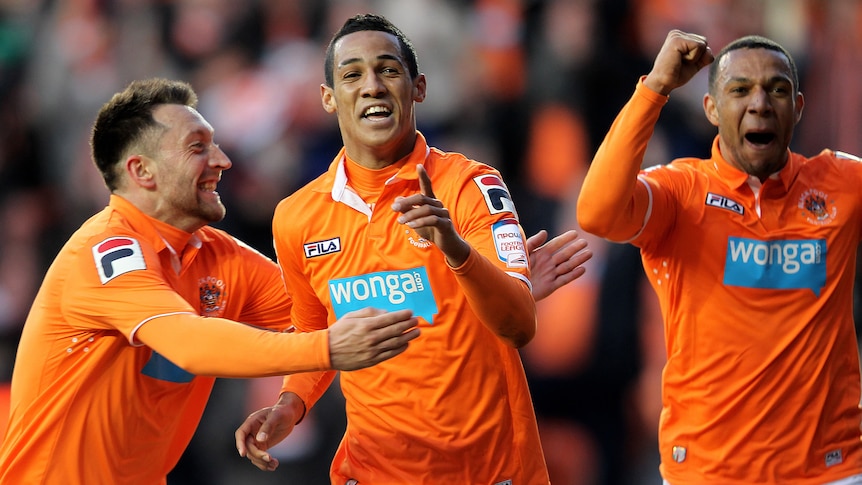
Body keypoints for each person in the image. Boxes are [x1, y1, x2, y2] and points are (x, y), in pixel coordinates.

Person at [0, 78, 424, 485]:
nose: (222, 160)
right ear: (142, 172)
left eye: (216, 144)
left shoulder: (219, 257)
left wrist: (438, 266)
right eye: (198, 148)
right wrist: (330, 349)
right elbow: (189, 344)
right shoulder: (102, 252)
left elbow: (324, 310)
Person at [235, 13, 593, 485]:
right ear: (328, 98)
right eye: (352, 75)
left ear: (418, 87)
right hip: (370, 471)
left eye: (388, 69)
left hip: (484, 470)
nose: (372, 86)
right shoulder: (296, 216)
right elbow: (313, 330)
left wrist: (457, 252)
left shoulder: (471, 184)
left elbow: (519, 325)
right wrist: (290, 405)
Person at [577, 29, 862, 484]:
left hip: (831, 470)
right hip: (708, 472)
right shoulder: (680, 192)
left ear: (799, 108)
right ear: (711, 109)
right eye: (739, 89)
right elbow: (597, 213)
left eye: (778, 89)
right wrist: (655, 88)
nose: (760, 103)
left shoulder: (842, 184)